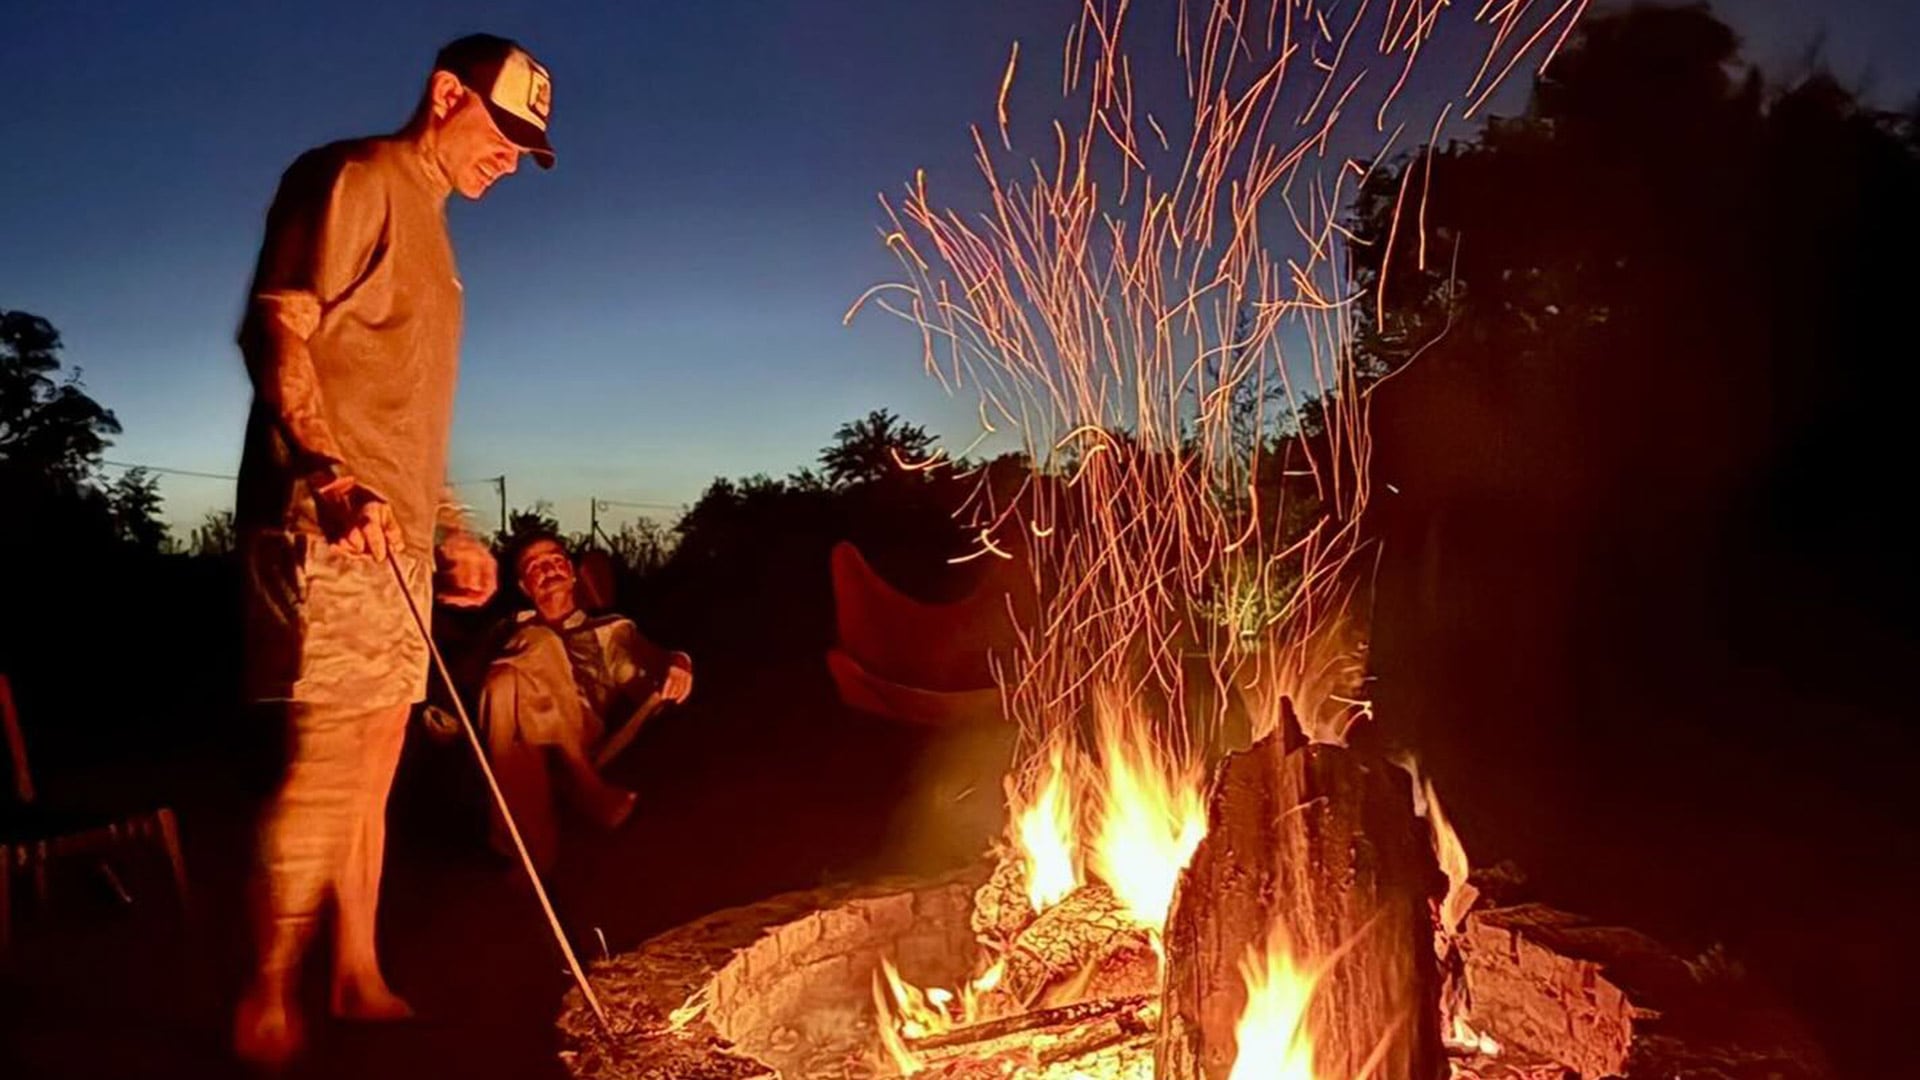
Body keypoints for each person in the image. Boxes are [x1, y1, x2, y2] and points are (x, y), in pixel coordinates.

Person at [231, 34, 556, 1066]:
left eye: (524, 147)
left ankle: (358, 974)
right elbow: (278, 329)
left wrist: (450, 527)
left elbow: (403, 414)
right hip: (323, 523)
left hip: (393, 536)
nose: (508, 157)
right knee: (328, 764)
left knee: (374, 768)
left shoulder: (435, 233)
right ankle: (267, 999)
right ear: (446, 94)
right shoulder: (359, 176)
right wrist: (329, 477)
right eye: (500, 131)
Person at [480, 534, 693, 870]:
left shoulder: (609, 631)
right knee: (508, 675)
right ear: (524, 586)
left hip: (581, 729)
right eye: (535, 567)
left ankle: (532, 822)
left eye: (555, 561)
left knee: (534, 646)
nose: (548, 569)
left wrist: (681, 662)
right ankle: (551, 836)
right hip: (514, 736)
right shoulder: (507, 630)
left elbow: (658, 662)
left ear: (572, 572)